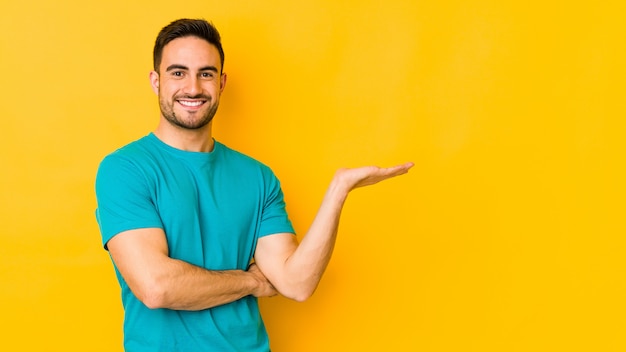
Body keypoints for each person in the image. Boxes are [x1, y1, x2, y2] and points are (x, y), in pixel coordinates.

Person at [95, 18, 413, 351]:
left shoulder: (257, 177)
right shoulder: (125, 169)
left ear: (222, 82)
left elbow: (296, 283)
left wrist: (338, 191)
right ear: (155, 81)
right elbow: (156, 286)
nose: (192, 87)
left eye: (206, 73)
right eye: (178, 72)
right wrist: (250, 281)